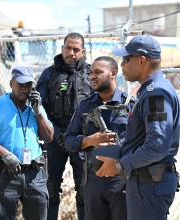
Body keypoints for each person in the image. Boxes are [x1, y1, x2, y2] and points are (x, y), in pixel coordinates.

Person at [96, 35, 180, 219]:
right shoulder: (151, 90)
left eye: (126, 59)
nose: (122, 64)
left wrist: (120, 165)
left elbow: (157, 145)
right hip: (145, 180)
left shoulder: (156, 93)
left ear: (142, 61)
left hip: (150, 183)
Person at [0, 66, 54, 220]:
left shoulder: (36, 107)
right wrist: (4, 153)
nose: (25, 89)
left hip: (35, 173)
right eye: (20, 85)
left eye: (28, 85)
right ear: (11, 83)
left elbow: (48, 137)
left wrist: (38, 111)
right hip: (7, 173)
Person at [64, 56, 129, 219]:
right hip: (94, 181)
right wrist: (89, 141)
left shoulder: (130, 105)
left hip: (121, 180)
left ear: (113, 73)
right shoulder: (85, 106)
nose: (92, 76)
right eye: (91, 72)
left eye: (98, 72)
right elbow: (68, 140)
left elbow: (142, 142)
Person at [36, 32, 91, 220]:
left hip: (82, 140)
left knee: (85, 190)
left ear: (83, 52)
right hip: (54, 139)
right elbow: (39, 108)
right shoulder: (49, 74)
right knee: (48, 190)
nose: (71, 53)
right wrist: (56, 133)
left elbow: (98, 107)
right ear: (62, 49)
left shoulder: (91, 74)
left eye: (76, 49)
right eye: (68, 48)